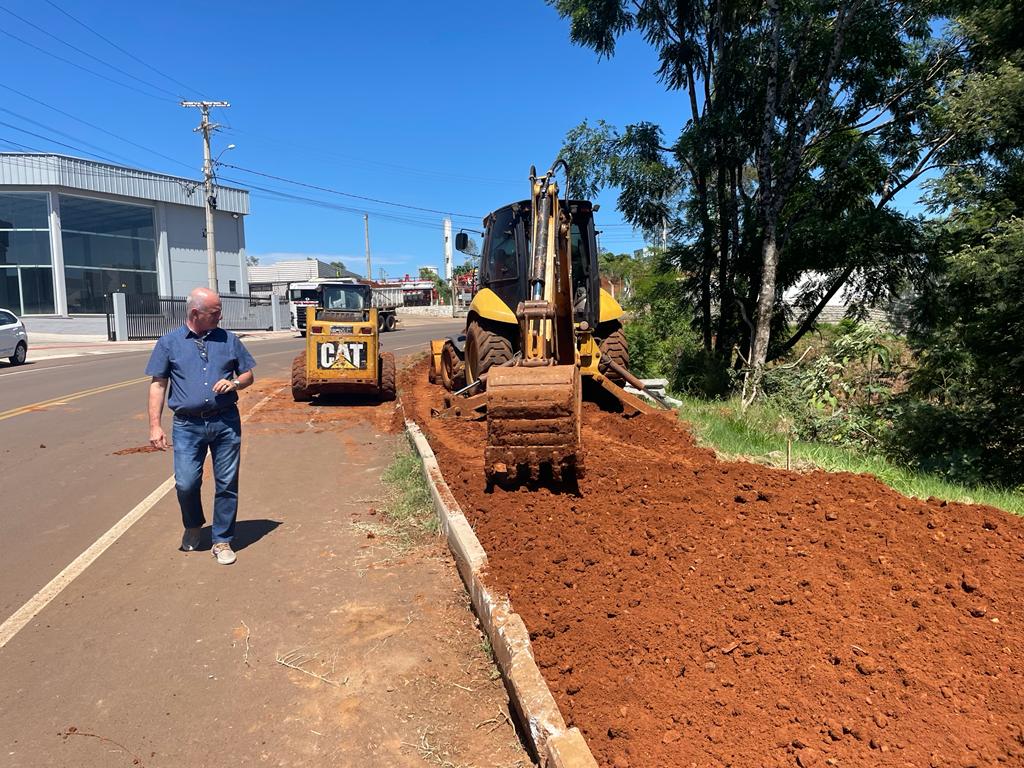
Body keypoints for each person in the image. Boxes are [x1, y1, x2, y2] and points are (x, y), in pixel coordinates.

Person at [146, 287, 256, 565]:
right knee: (186, 483)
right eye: (215, 312)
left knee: (227, 483)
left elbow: (248, 374)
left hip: (225, 421)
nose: (220, 316)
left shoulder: (229, 340)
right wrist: (155, 426)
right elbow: (158, 385)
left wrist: (235, 383)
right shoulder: (169, 343)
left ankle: (222, 539)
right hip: (187, 426)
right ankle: (193, 525)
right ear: (196, 313)